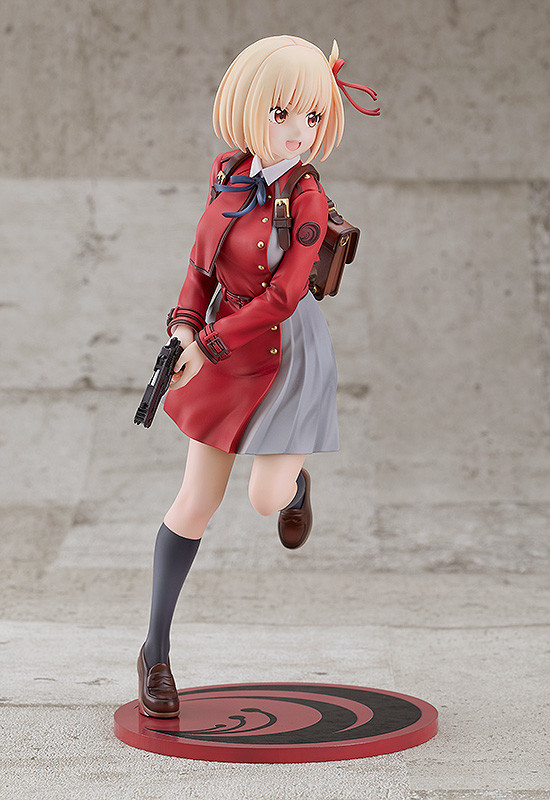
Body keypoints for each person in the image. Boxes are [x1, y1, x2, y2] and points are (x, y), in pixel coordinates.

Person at [137, 35, 379, 718]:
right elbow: (199, 265)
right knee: (194, 501)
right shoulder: (228, 176)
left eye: (312, 116)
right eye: (281, 114)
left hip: (283, 350)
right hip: (219, 347)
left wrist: (208, 342)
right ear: (248, 109)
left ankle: (295, 484)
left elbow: (284, 297)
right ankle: (155, 652)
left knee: (266, 498)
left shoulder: (307, 199)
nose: (298, 132)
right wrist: (184, 326)